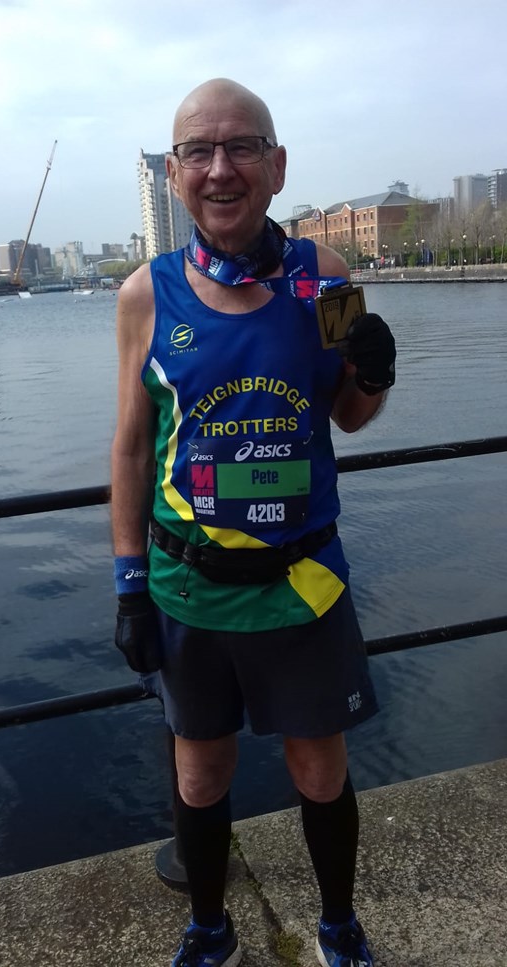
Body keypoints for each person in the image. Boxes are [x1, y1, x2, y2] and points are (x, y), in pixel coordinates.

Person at [111, 78, 396, 967]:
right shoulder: (144, 295)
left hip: (301, 581)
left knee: (322, 768)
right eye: (198, 151)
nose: (220, 167)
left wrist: (375, 376)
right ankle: (209, 929)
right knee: (201, 773)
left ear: (276, 167)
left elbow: (349, 411)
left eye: (241, 148)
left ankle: (338, 927)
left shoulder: (327, 277)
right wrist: (127, 582)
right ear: (175, 173)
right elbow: (128, 449)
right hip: (189, 587)